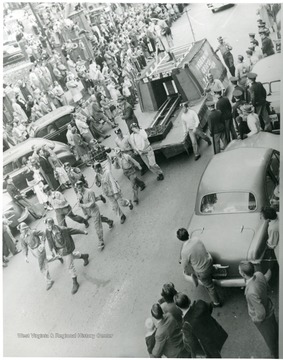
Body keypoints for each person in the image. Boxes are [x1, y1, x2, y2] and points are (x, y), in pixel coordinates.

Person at [238, 262, 278, 358]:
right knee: (275, 330)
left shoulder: (251, 292)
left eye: (239, 270)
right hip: (269, 307)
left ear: (243, 274)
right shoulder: (259, 274)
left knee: (270, 338)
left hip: (264, 319)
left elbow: (261, 313)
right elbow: (266, 285)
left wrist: (256, 319)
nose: (239, 271)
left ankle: (276, 354)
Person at [177, 228, 222, 307]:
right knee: (210, 270)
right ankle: (215, 268)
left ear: (179, 239)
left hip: (202, 271)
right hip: (209, 261)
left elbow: (184, 265)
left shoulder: (184, 251)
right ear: (188, 234)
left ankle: (216, 302)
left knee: (210, 287)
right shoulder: (196, 239)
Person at [174, 292, 228, 358]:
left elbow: (192, 343)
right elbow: (210, 307)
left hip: (208, 344)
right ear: (188, 299)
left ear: (178, 307)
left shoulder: (186, 325)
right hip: (216, 331)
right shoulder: (200, 303)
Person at [44, 217, 89, 295]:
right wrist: (52, 250)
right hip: (59, 250)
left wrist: (83, 232)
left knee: (69, 266)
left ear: (53, 224)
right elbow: (49, 240)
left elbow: (73, 230)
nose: (48, 228)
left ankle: (75, 283)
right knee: (72, 257)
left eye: (49, 226)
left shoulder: (63, 229)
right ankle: (84, 256)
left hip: (66, 249)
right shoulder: (48, 231)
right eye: (46, 226)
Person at [75, 180, 113, 251]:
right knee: (99, 219)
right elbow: (79, 201)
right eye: (77, 188)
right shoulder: (79, 193)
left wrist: (82, 205)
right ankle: (109, 221)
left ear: (83, 185)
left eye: (80, 187)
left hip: (94, 209)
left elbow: (92, 203)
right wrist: (79, 200)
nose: (79, 189)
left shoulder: (90, 192)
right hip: (89, 211)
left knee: (97, 225)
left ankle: (101, 240)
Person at [19, 222, 56, 291]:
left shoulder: (33, 232)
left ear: (26, 229)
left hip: (40, 249)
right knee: (46, 260)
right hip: (33, 251)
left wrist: (42, 243)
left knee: (42, 266)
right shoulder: (22, 236)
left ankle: (49, 281)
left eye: (23, 230)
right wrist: (26, 256)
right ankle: (58, 257)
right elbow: (24, 246)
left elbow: (43, 233)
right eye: (21, 230)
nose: (21, 231)